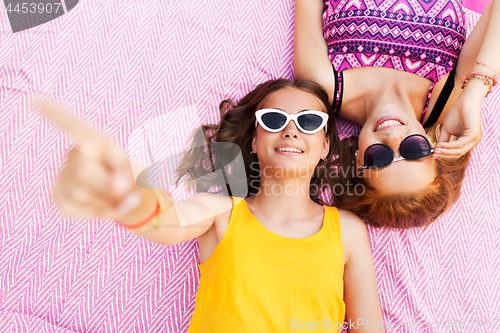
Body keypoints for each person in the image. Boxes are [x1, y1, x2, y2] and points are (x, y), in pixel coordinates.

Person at [33, 79, 386, 332]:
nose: (291, 131)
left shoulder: (348, 231)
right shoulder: (221, 211)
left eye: (309, 122)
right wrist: (128, 199)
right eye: (274, 120)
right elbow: (167, 222)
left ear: (325, 146)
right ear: (254, 142)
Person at [293, 0, 499, 228]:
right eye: (414, 150)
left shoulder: (324, 82)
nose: (392, 138)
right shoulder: (448, 98)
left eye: (379, 157)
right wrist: (472, 96)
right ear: (432, 145)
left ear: (357, 160)